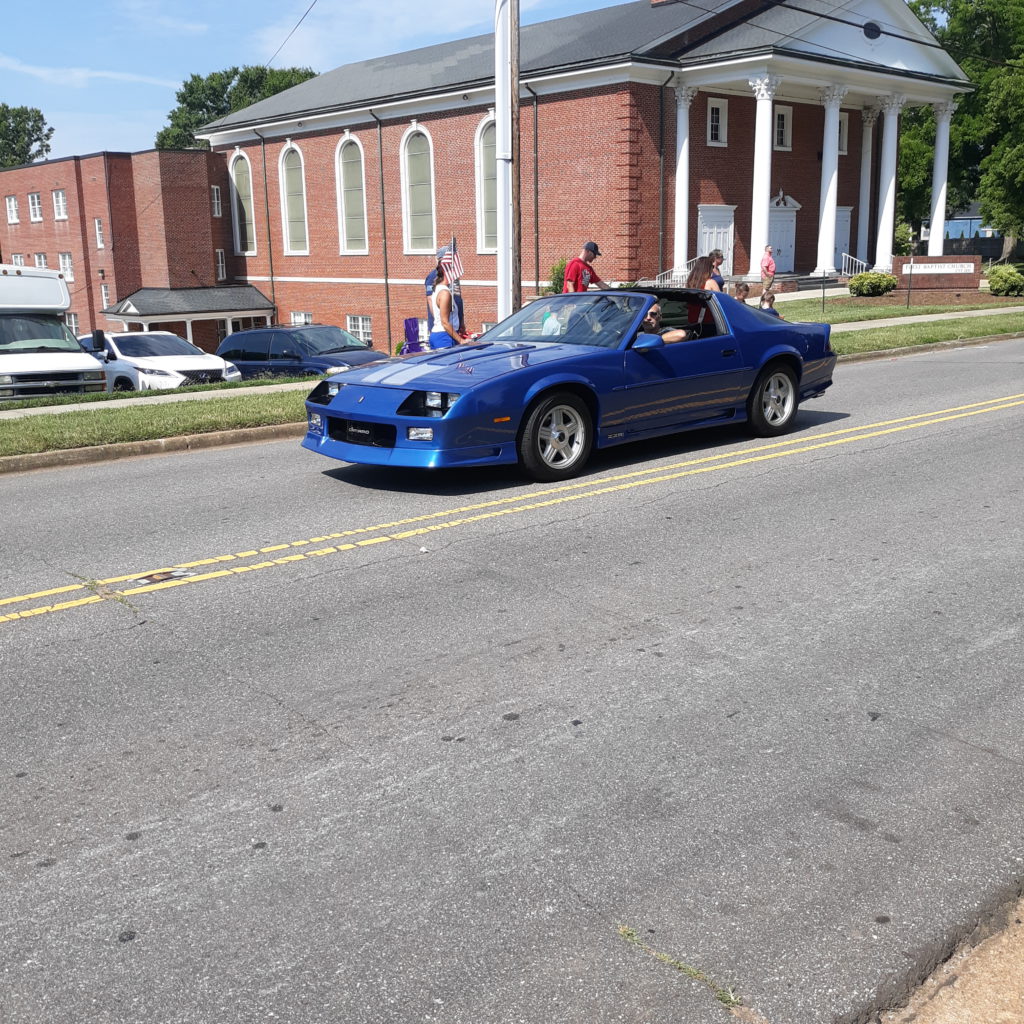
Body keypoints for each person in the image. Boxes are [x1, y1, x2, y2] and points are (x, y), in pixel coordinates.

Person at [426, 244, 467, 338]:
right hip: (444, 329)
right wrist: (440, 321)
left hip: (455, 324)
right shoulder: (435, 276)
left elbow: (457, 300)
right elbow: (430, 300)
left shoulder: (453, 276)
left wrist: (461, 321)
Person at [427, 259, 463, 348]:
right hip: (444, 336)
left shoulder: (438, 289)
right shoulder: (444, 293)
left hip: (439, 335)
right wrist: (461, 340)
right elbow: (445, 322)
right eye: (454, 269)